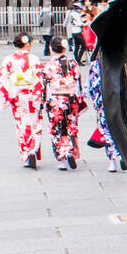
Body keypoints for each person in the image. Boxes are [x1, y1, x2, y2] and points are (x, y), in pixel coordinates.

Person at [0, 34, 44, 168]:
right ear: (28, 44)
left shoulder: (8, 60)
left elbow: (1, 80)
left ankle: (27, 154)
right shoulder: (34, 59)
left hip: (17, 97)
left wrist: (10, 94)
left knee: (22, 125)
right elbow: (40, 78)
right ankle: (34, 148)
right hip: (33, 96)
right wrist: (39, 94)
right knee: (35, 124)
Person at [40, 37, 86, 170]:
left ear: (51, 48)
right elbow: (78, 82)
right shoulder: (72, 63)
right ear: (65, 48)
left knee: (56, 128)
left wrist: (44, 102)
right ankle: (70, 150)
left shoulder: (48, 65)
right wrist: (79, 99)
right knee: (70, 126)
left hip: (56, 100)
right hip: (70, 99)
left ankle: (62, 158)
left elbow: (44, 86)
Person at [86, 57, 123, 173]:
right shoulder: (119, 60)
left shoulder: (96, 65)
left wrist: (96, 103)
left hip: (104, 102)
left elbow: (93, 86)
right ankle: (123, 155)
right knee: (122, 129)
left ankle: (112, 161)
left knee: (107, 131)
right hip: (120, 100)